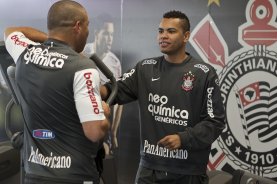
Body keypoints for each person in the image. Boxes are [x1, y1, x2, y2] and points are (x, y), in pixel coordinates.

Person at [101, 10, 226, 184]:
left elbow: (215, 122)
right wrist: (90, 86)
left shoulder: (204, 73)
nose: (163, 36)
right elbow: (114, 89)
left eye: (171, 31)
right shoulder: (145, 68)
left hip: (188, 172)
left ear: (186, 36)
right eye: (160, 31)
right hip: (149, 170)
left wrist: (183, 138)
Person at [4, 1, 110, 184]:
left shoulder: (25, 53)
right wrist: (104, 113)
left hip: (34, 173)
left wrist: (50, 40)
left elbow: (11, 32)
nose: (87, 32)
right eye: (87, 26)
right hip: (74, 175)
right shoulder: (83, 67)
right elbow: (94, 132)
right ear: (77, 26)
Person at [83, 14, 123, 156]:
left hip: (102, 124)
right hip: (79, 123)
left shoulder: (114, 62)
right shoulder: (81, 53)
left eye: (111, 35)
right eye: (106, 34)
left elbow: (119, 100)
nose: (110, 39)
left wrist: (113, 132)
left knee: (103, 158)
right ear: (96, 33)